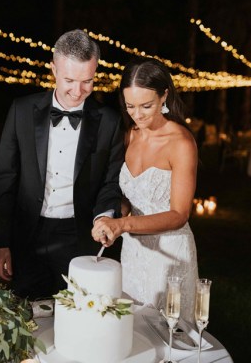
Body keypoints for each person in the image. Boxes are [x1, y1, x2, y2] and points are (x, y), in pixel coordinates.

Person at [0, 29, 124, 300]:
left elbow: (111, 182)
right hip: (28, 235)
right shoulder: (21, 110)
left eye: (87, 81)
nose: (78, 91)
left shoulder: (110, 122)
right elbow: (4, 179)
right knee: (28, 319)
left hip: (80, 237)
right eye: (69, 80)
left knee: (81, 318)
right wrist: (1, 242)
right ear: (53, 69)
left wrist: (104, 216)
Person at [91, 57, 199, 322]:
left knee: (168, 337)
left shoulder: (181, 143)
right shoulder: (129, 134)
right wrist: (113, 219)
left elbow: (179, 214)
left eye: (146, 106)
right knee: (131, 332)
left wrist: (124, 225)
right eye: (130, 106)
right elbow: (129, 195)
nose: (137, 114)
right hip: (133, 252)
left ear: (164, 96)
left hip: (169, 253)